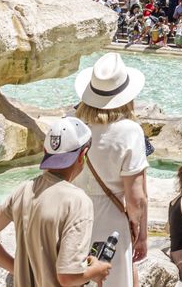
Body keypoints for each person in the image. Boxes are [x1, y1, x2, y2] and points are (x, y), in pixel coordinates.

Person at [0, 117, 114, 287]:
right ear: (83, 155)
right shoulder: (78, 202)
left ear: (46, 151)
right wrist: (98, 270)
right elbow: (68, 277)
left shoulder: (24, 190)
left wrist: (18, 269)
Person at [73, 53, 150, 287]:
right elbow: (136, 198)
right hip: (111, 219)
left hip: (73, 215)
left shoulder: (72, 124)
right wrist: (140, 233)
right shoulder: (130, 131)